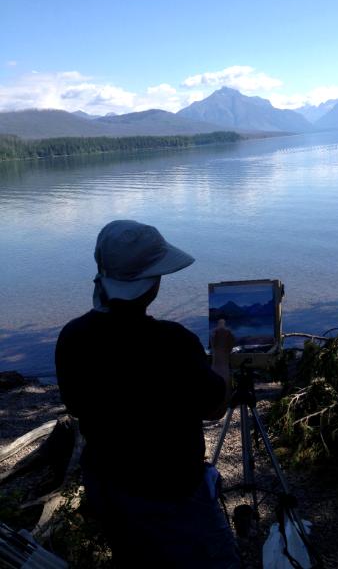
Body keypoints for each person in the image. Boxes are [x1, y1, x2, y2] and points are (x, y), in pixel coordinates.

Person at [55, 219, 240, 568]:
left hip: (109, 484)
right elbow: (215, 406)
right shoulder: (172, 342)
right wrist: (220, 356)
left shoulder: (73, 337)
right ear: (151, 286)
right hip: (171, 490)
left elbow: (76, 405)